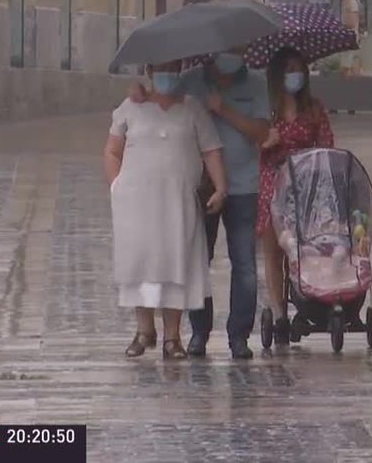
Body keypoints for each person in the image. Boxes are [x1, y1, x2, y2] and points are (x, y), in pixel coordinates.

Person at [129, 45, 270, 359]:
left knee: (244, 264)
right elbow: (160, 100)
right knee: (196, 262)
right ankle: (199, 333)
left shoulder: (257, 84)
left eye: (239, 49)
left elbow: (261, 132)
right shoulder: (190, 80)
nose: (233, 54)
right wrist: (138, 91)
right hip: (198, 186)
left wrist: (224, 110)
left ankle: (239, 337)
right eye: (227, 49)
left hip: (243, 185)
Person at [105, 61, 227, 359]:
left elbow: (211, 150)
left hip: (179, 201)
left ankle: (173, 337)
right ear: (149, 71)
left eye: (172, 69)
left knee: (176, 262)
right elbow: (111, 150)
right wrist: (115, 185)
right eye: (161, 69)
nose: (166, 75)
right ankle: (144, 329)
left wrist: (221, 187)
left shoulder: (192, 109)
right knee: (142, 262)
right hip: (137, 202)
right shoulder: (130, 107)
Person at [258, 47, 334, 345]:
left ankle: (308, 299)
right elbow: (251, 143)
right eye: (289, 69)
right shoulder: (267, 110)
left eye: (299, 69)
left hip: (305, 184)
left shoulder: (314, 109)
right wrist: (265, 142)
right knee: (273, 251)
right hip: (272, 184)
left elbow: (327, 144)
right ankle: (279, 313)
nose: (295, 75)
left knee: (303, 248)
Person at [334, 0, 363, 77]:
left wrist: (340, 26)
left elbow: (351, 22)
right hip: (346, 38)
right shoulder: (346, 1)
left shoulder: (352, 1)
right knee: (345, 70)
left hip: (350, 39)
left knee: (347, 71)